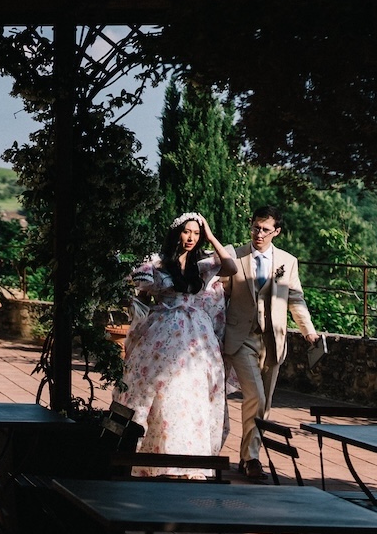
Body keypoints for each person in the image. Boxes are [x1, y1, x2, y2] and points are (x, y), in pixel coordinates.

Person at [115, 213, 238, 474]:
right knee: (160, 391)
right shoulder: (158, 264)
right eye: (187, 232)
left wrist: (211, 235)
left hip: (196, 335)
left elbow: (231, 267)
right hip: (162, 330)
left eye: (196, 233)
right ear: (177, 234)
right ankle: (155, 456)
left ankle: (187, 457)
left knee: (189, 392)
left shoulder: (201, 266)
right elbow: (139, 295)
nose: (191, 237)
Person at [222, 205, 320, 478]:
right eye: (256, 227)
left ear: (276, 231)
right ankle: (252, 459)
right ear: (250, 226)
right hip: (241, 338)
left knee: (265, 404)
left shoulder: (287, 262)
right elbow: (221, 296)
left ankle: (246, 457)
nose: (259, 234)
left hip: (273, 341)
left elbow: (295, 299)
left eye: (266, 230)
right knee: (256, 396)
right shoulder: (234, 256)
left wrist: (308, 332)